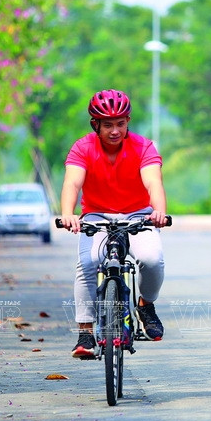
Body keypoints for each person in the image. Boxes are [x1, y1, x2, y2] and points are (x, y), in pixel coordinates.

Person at [59, 89, 170, 359]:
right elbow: (73, 182)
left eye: (120, 124)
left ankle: (145, 305)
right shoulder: (82, 147)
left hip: (138, 214)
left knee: (151, 258)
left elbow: (153, 181)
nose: (114, 131)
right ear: (95, 124)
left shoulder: (144, 147)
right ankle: (85, 332)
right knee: (87, 263)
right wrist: (67, 213)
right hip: (96, 215)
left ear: (128, 121)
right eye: (107, 125)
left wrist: (159, 212)